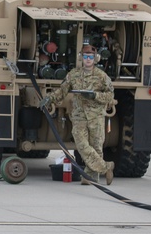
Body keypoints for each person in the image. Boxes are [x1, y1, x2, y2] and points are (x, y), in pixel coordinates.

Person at [43, 43, 115, 185]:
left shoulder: (102, 76)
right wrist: (49, 98)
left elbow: (110, 96)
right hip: (79, 116)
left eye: (91, 57)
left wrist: (95, 96)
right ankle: (106, 167)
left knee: (96, 146)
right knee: (81, 144)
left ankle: (90, 177)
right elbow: (62, 90)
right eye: (85, 56)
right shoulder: (73, 75)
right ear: (81, 58)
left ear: (96, 58)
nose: (88, 59)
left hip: (96, 116)